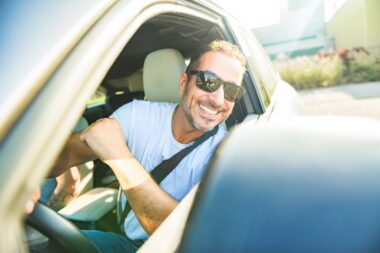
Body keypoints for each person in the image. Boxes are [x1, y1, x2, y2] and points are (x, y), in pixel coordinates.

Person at [50, 40, 247, 253]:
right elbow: (62, 157)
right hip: (126, 241)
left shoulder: (224, 157)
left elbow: (185, 241)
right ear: (183, 83)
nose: (218, 100)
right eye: (208, 81)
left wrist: (117, 155)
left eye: (231, 91)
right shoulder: (137, 115)